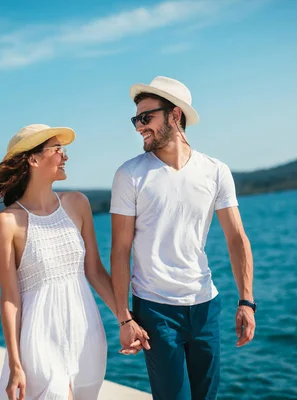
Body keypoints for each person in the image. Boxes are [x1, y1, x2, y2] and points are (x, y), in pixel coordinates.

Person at [110, 76, 257, 400]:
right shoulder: (130, 175)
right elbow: (120, 249)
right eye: (136, 119)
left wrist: (246, 300)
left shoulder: (215, 170)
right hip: (155, 309)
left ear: (175, 115)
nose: (138, 127)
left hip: (205, 304)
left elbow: (236, 237)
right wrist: (124, 317)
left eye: (146, 118)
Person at [0, 124, 117, 400]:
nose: (65, 156)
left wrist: (125, 319)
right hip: (40, 337)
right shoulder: (6, 222)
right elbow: (10, 298)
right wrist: (15, 363)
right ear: (33, 159)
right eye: (57, 149)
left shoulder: (77, 203)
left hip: (85, 330)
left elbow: (94, 270)